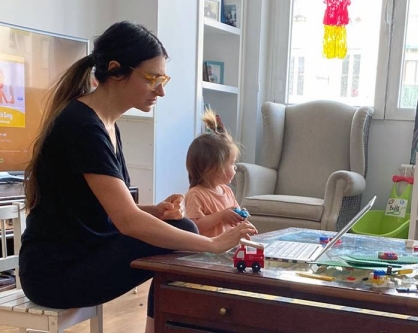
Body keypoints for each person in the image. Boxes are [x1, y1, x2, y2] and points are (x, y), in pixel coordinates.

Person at [20, 21, 256, 333]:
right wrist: (211, 244)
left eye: (163, 78)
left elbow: (104, 209)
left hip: (86, 252)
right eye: (152, 78)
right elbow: (127, 221)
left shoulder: (106, 124)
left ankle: (160, 327)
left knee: (178, 227)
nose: (161, 89)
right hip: (55, 273)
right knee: (183, 238)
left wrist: (155, 212)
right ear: (116, 71)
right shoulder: (81, 126)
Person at [184, 109, 248, 237]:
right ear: (214, 168)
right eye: (231, 163)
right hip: (205, 252)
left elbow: (232, 216)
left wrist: (239, 216)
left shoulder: (227, 191)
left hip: (226, 248)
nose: (235, 167)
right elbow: (195, 225)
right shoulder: (196, 194)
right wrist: (221, 216)